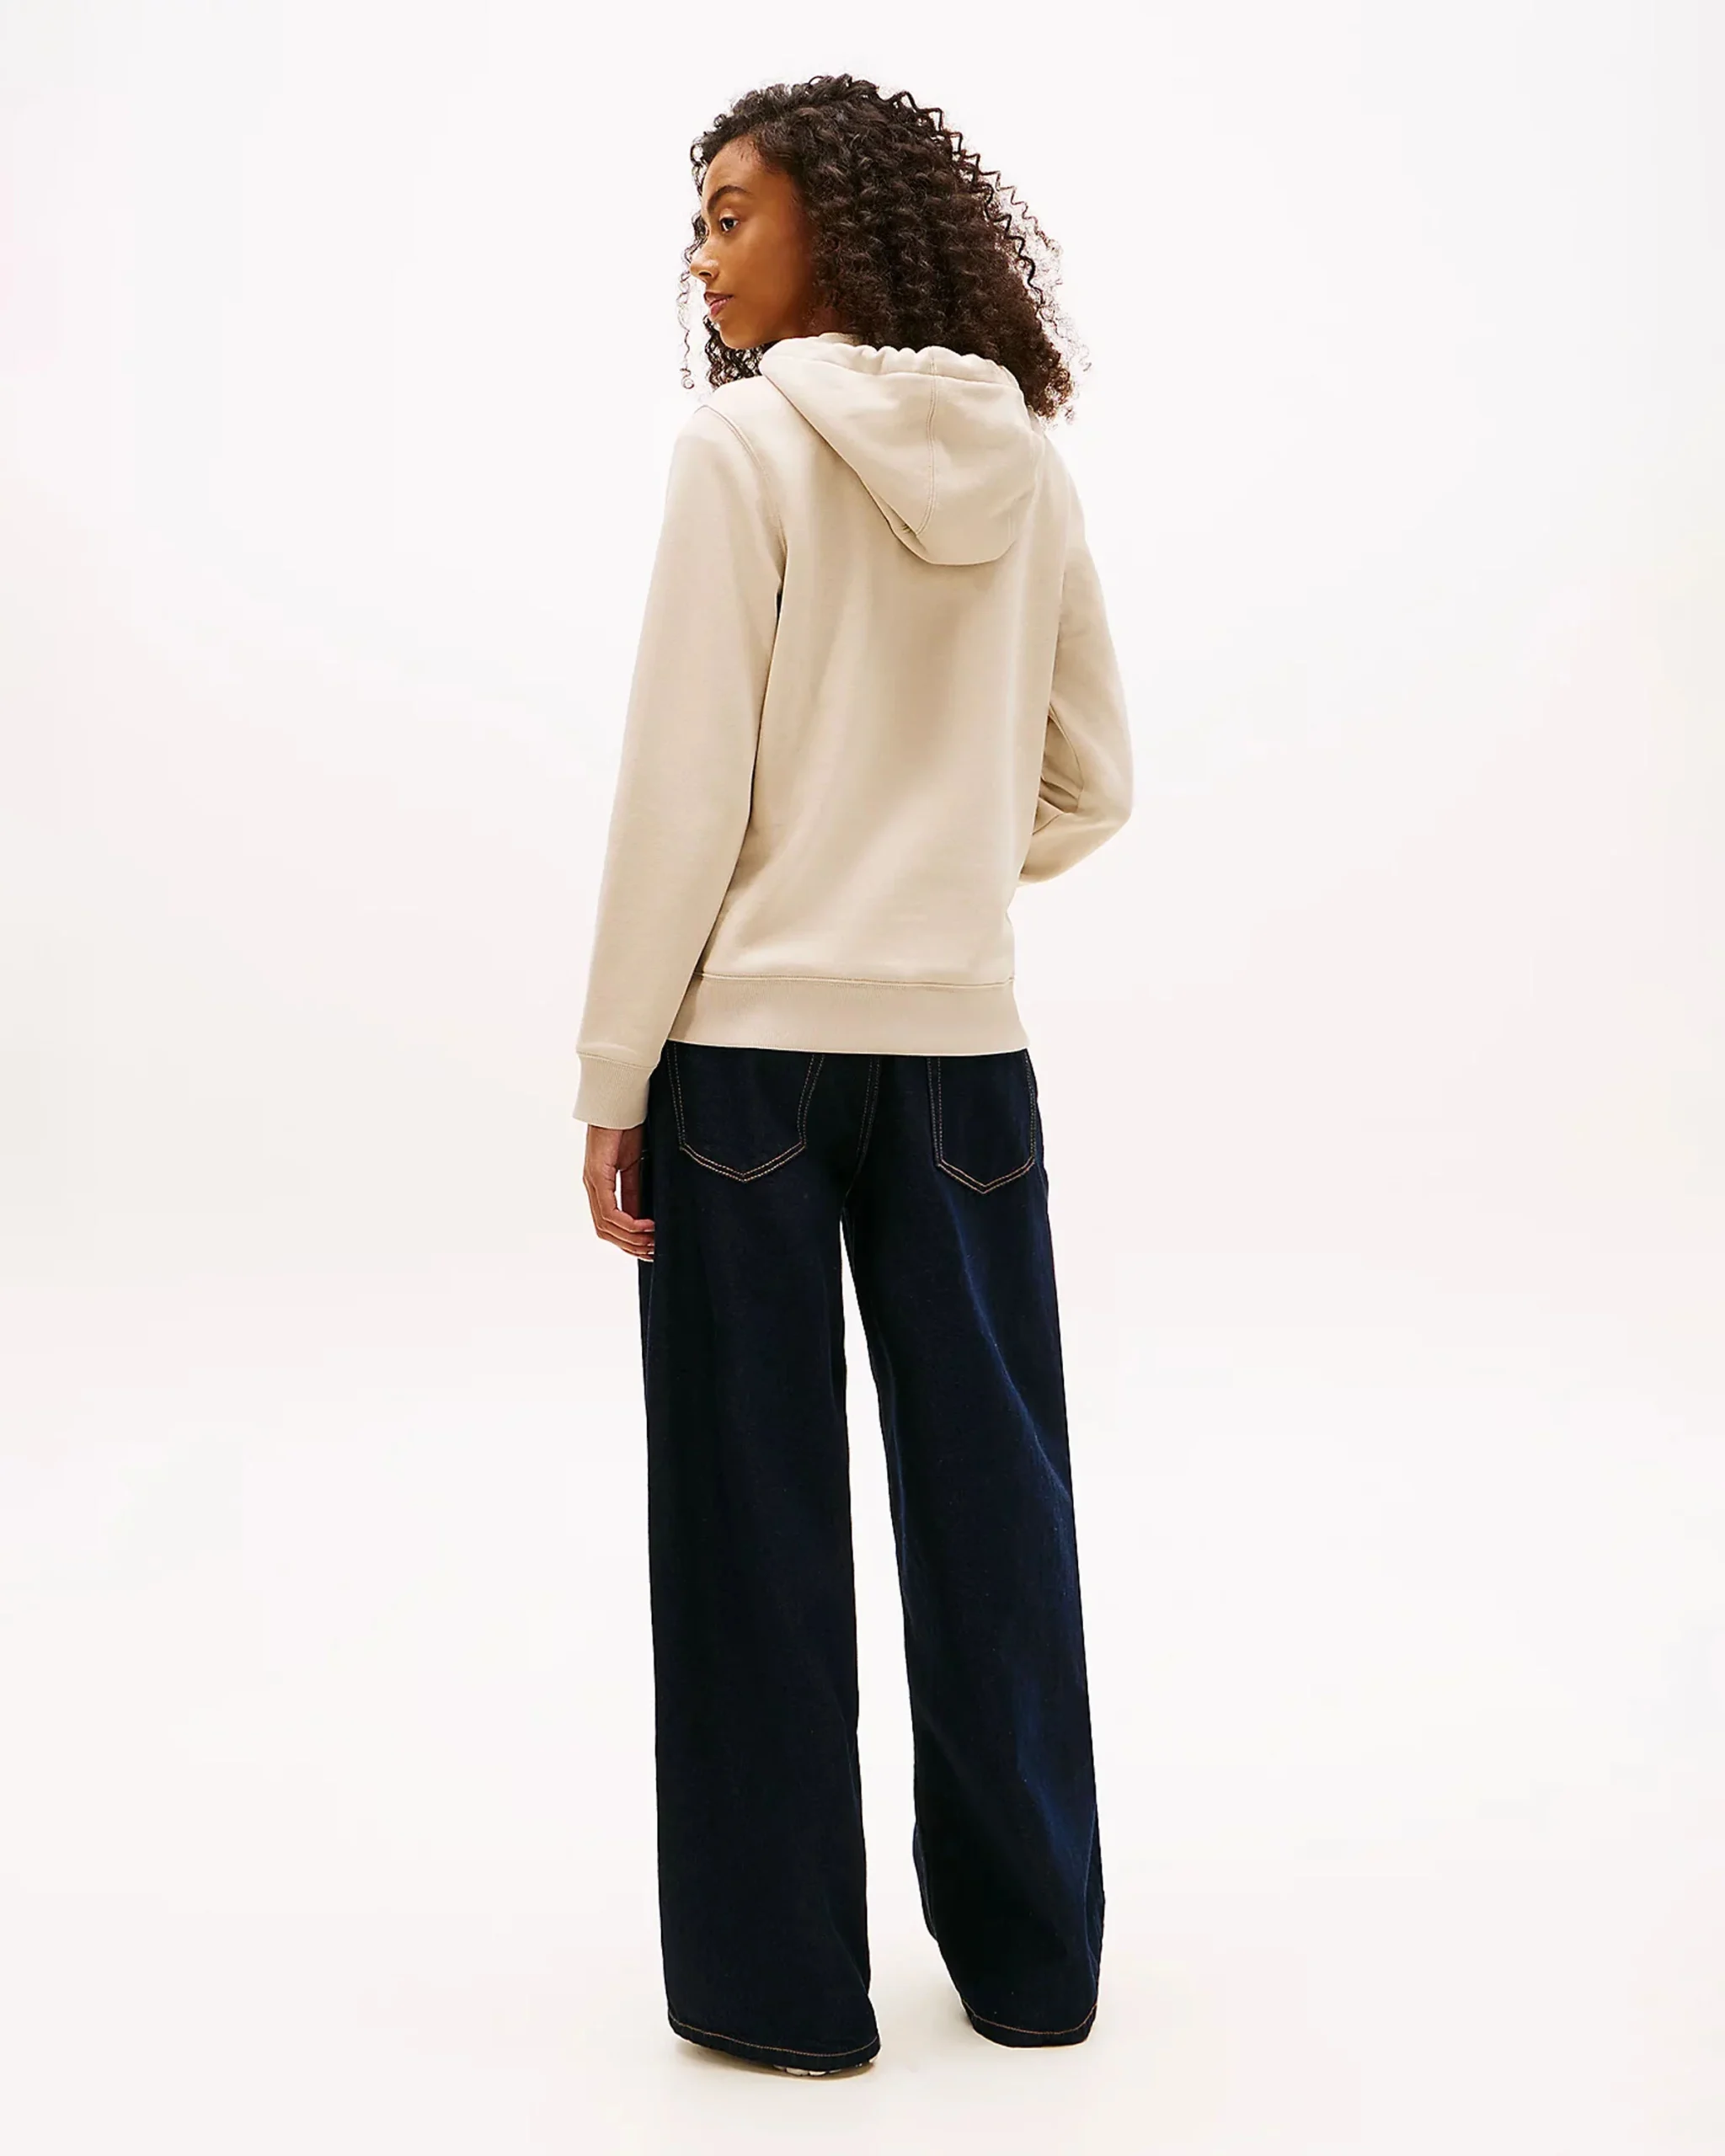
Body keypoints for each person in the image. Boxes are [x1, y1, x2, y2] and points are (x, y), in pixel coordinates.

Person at [573, 73, 1133, 2077]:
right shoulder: (1026, 464)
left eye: (732, 214)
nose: (701, 255)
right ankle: (1036, 1962)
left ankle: (779, 1988)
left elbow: (680, 792)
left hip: (742, 1064)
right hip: (963, 1055)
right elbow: (1092, 780)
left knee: (752, 1521)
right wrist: (934, 867)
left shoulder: (741, 451)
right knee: (995, 1505)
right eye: (697, 221)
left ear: (839, 221)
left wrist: (612, 1066)